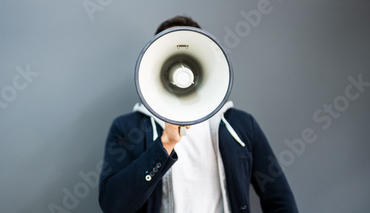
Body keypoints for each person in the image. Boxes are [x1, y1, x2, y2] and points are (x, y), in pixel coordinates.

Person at [98, 15, 298, 213]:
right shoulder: (127, 128)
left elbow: (279, 199)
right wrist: (164, 144)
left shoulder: (241, 125)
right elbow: (113, 205)